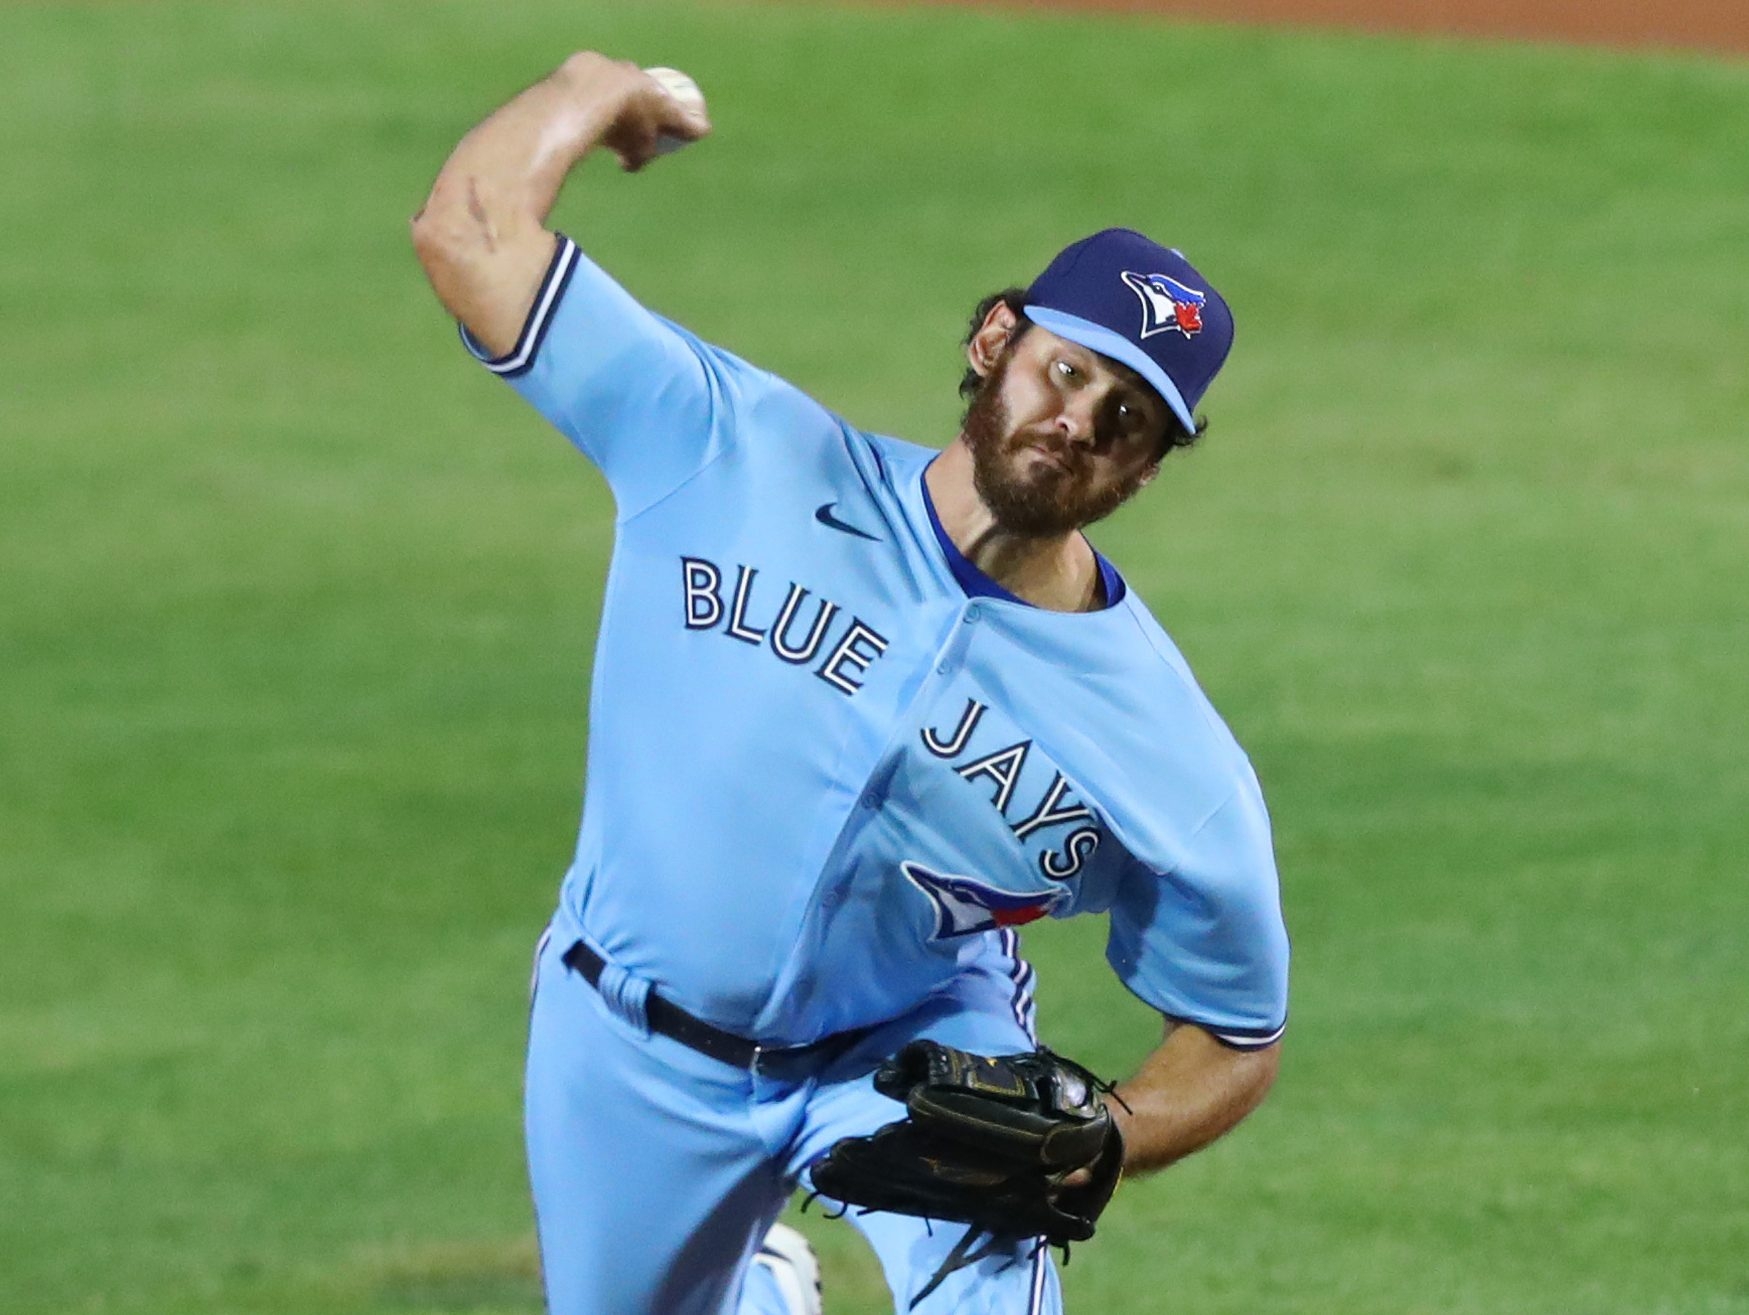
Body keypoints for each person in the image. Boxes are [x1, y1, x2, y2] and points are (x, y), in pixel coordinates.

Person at [411, 51, 1289, 1315]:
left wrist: (1107, 1142)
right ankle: (755, 1278)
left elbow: (1238, 1029)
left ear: (1150, 466)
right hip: (629, 1036)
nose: (1080, 422)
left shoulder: (1166, 750)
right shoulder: (732, 452)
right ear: (998, 340)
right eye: (1068, 369)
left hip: (914, 1058)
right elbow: (467, 230)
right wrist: (592, 90)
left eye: (1130, 418)